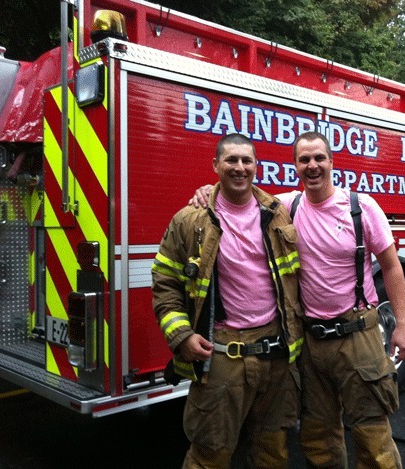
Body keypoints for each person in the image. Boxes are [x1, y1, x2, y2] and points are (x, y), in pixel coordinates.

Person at [193, 131, 405, 468]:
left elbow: (392, 267)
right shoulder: (287, 207)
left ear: (331, 162)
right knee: (318, 438)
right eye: (304, 159)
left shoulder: (361, 208)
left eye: (319, 158)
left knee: (373, 437)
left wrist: (403, 326)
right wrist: (209, 191)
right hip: (310, 343)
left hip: (359, 337)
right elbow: (241, 195)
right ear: (295, 166)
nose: (312, 166)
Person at [152, 133, 304, 468]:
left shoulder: (278, 213)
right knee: (211, 453)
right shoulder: (190, 221)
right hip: (222, 356)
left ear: (256, 166)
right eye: (231, 160)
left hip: (276, 353)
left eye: (246, 161)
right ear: (216, 166)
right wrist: (181, 336)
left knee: (273, 450)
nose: (239, 168)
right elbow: (165, 284)